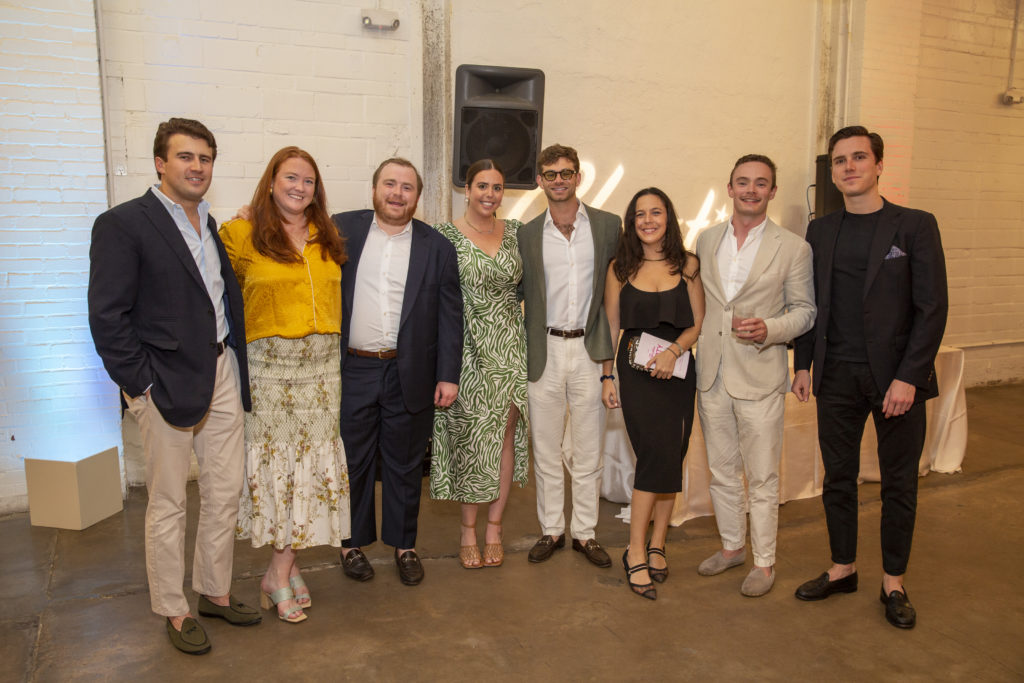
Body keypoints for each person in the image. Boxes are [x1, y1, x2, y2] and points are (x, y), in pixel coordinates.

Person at [88, 118, 260, 655]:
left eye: (205, 158)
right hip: (162, 382)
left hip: (221, 370)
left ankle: (214, 590)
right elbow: (107, 316)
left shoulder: (209, 223)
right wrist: (139, 384)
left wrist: (233, 361)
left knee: (225, 490)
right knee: (167, 501)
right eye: (186, 157)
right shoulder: (124, 223)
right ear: (160, 163)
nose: (197, 167)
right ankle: (174, 606)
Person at [792, 126, 948, 629]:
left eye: (859, 157)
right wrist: (801, 363)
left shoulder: (915, 226)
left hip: (896, 381)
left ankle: (893, 583)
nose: (849, 167)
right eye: (840, 161)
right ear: (832, 172)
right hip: (836, 374)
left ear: (879, 165)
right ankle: (843, 569)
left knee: (898, 485)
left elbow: (932, 309)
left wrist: (909, 377)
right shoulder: (821, 231)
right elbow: (808, 304)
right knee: (838, 479)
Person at [220, 147, 350, 623]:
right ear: (271, 181)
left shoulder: (327, 234)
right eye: (291, 178)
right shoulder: (238, 234)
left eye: (309, 181)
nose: (300, 187)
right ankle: (277, 573)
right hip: (270, 369)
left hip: (322, 370)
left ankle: (285, 567)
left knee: (312, 472)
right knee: (280, 473)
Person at [332, 158, 463, 586]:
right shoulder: (340, 229)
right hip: (353, 367)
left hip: (410, 372)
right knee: (354, 461)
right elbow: (288, 230)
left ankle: (404, 546)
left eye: (407, 187)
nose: (397, 193)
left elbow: (450, 315)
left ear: (417, 197)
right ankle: (351, 545)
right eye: (390, 184)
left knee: (405, 465)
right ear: (374, 189)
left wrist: (448, 374)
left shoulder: (436, 247)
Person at [694, 155, 815, 597]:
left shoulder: (793, 248)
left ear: (772, 191)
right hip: (711, 374)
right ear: (729, 188)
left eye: (760, 183)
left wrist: (771, 329)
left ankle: (764, 563)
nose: (750, 190)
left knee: (762, 477)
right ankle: (732, 547)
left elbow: (805, 312)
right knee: (722, 471)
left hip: (761, 374)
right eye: (742, 182)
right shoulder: (706, 240)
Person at [518, 144, 621, 569]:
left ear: (579, 177)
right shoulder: (525, 233)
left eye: (566, 173)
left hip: (589, 349)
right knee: (543, 449)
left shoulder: (608, 226)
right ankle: (551, 530)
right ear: (540, 180)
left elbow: (623, 287)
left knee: (587, 449)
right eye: (550, 174)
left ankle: (585, 533)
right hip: (542, 348)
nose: (558, 180)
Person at [601, 187, 704, 600]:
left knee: (672, 455)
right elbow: (611, 327)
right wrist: (608, 377)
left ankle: (659, 542)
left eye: (655, 212)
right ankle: (635, 550)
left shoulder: (689, 264)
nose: (647, 220)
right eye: (640, 214)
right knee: (653, 456)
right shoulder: (619, 268)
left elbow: (697, 323)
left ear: (668, 218)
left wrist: (675, 350)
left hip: (678, 369)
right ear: (632, 221)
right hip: (637, 369)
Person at [430, 159, 529, 569]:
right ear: (466, 189)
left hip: (510, 347)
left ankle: (494, 527)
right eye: (482, 186)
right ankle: (467, 529)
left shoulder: (519, 234)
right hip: (467, 350)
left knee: (504, 437)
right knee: (473, 441)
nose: (489, 194)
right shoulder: (443, 236)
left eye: (497, 188)